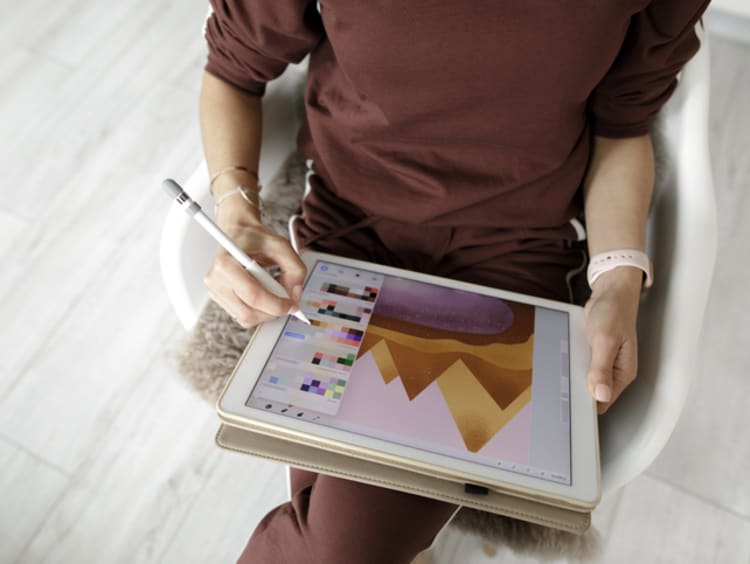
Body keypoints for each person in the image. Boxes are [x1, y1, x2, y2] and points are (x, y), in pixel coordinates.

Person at [199, 2, 709, 562]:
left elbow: (623, 125)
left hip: (514, 262)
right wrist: (239, 216)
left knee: (345, 543)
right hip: (353, 240)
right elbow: (233, 72)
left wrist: (617, 277)